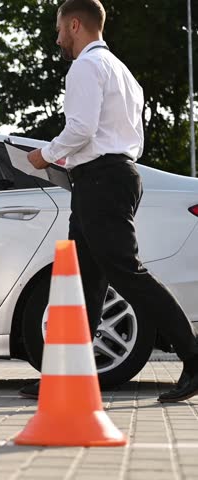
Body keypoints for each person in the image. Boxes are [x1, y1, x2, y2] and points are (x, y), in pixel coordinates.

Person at [25, 0, 198, 402]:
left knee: (125, 273)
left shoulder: (85, 66)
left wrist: (45, 155)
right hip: (109, 177)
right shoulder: (122, 71)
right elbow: (113, 133)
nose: (57, 39)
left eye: (59, 30)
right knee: (84, 280)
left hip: (101, 181)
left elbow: (82, 129)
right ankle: (67, 376)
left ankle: (192, 356)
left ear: (74, 25)